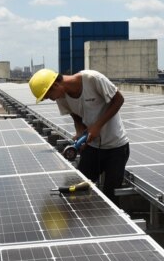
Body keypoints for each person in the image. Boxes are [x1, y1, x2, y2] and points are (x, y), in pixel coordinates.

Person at [29, 68, 129, 206]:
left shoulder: (93, 79)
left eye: (48, 95)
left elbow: (119, 100)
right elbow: (75, 115)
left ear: (56, 85)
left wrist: (97, 126)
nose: (51, 99)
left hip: (116, 147)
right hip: (93, 148)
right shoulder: (62, 97)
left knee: (111, 196)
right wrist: (80, 130)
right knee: (77, 188)